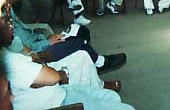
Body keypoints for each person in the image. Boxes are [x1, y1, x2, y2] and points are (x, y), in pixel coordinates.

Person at [0, 14, 135, 110]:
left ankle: (99, 78)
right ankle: (100, 62)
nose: (10, 24)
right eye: (6, 22)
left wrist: (34, 57)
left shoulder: (9, 42)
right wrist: (57, 71)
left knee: (81, 44)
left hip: (45, 64)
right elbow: (54, 77)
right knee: (78, 44)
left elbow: (24, 48)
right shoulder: (9, 60)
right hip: (55, 97)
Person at [5, 0, 127, 74]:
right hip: (40, 52)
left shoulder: (7, 8)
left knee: (80, 30)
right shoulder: (3, 22)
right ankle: (100, 63)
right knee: (78, 42)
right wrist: (46, 42)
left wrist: (45, 37)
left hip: (40, 40)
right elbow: (21, 51)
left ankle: (90, 64)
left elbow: (24, 30)